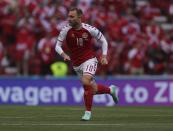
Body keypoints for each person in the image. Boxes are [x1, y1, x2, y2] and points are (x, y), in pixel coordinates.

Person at [55, 7, 119, 121]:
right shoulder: (65, 30)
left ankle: (87, 113)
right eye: (68, 16)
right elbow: (57, 46)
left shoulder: (89, 29)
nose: (69, 19)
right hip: (76, 64)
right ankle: (110, 90)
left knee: (86, 81)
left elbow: (103, 40)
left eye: (72, 17)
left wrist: (104, 56)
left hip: (89, 59)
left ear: (79, 17)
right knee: (92, 90)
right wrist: (64, 55)